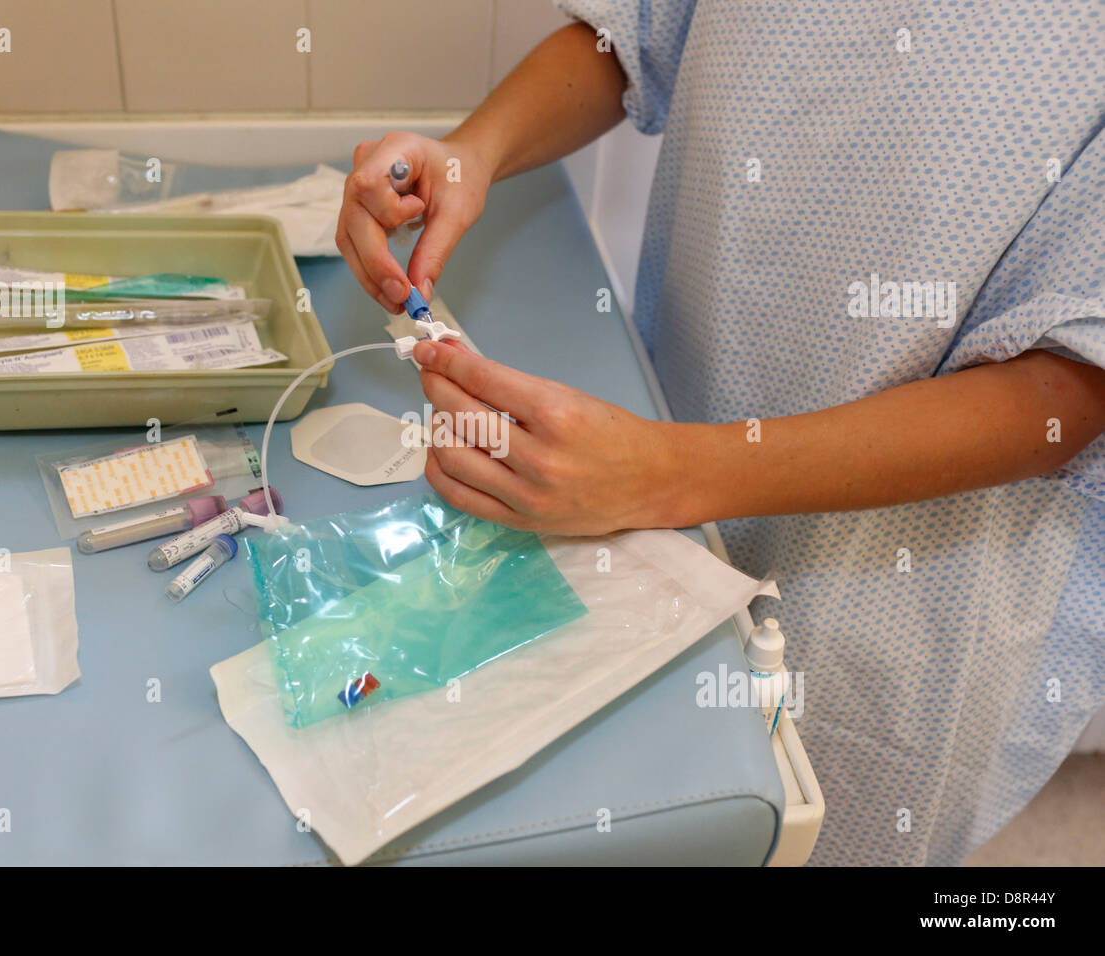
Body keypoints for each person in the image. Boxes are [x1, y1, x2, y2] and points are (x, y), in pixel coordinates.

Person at [335, 2, 1105, 865]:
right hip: (663, 431)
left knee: (785, 818)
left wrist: (664, 475)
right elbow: (633, 33)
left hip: (899, 575)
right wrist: (475, 151)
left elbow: (1067, 387)